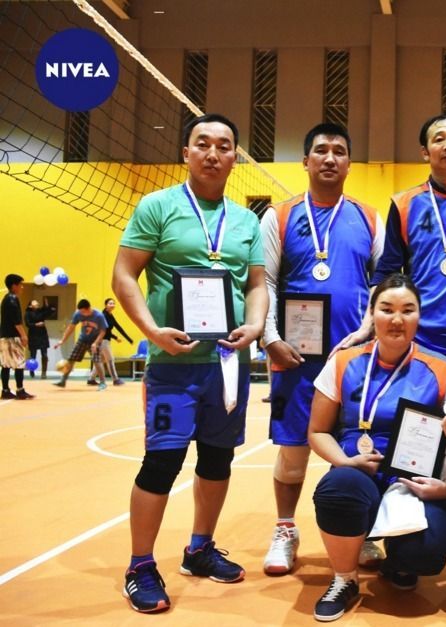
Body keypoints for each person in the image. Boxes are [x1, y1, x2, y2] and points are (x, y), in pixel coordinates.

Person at [111, 113, 268, 613]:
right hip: (173, 363)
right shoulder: (157, 206)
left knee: (218, 460)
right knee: (161, 463)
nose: (213, 153)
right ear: (186, 153)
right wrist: (150, 331)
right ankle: (139, 565)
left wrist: (256, 326)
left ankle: (199, 549)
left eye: (224, 145)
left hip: (226, 364)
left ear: (234, 157)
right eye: (203, 144)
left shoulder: (246, 221)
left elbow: (257, 285)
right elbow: (123, 274)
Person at [259, 122, 385, 577]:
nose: (330, 158)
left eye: (339, 151)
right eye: (321, 150)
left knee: (357, 448)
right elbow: (264, 281)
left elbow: (382, 282)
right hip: (295, 359)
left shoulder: (369, 217)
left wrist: (368, 330)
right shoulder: (278, 217)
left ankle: (362, 532)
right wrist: (270, 338)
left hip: (353, 363)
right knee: (294, 453)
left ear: (349, 163)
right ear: (305, 161)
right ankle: (285, 530)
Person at [308, 273, 446, 622]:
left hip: (412, 479)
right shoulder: (343, 361)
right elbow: (317, 431)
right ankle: (345, 578)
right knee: (337, 489)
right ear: (372, 313)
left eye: (408, 310)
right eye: (387, 309)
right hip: (358, 472)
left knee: (426, 555)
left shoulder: (442, 369)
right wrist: (345, 461)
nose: (396, 319)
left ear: (419, 315)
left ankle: (399, 559)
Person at [341, 114, 446, 383]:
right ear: (425, 152)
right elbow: (387, 272)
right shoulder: (404, 204)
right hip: (419, 342)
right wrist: (368, 325)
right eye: (439, 139)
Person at [52, 299, 108, 390]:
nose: (81, 313)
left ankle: (103, 383)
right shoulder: (78, 314)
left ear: (88, 308)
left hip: (95, 341)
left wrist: (95, 343)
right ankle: (63, 381)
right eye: (80, 311)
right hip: (82, 340)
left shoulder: (99, 316)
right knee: (71, 359)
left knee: (97, 360)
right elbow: (71, 327)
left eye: (83, 312)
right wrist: (62, 341)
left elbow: (103, 331)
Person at [1, 274, 34, 399]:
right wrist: (24, 335)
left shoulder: (6, 299)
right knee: (19, 363)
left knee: (6, 364)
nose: (22, 287)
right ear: (14, 286)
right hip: (13, 336)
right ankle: (20, 390)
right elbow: (16, 321)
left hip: (4, 335)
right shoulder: (13, 299)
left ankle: (5, 390)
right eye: (20, 285)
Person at [88, 297, 134, 386]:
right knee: (110, 359)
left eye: (113, 303)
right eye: (110, 303)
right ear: (106, 305)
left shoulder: (110, 316)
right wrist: (115, 337)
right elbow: (104, 331)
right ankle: (115, 379)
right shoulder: (103, 316)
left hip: (105, 340)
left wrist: (128, 338)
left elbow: (118, 327)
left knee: (101, 360)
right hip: (102, 340)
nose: (112, 305)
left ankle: (91, 379)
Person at [25, 298, 56, 379]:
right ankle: (31, 370)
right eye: (34, 302)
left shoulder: (41, 311)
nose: (37, 303)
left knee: (44, 354)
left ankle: (44, 372)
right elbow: (28, 324)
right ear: (30, 305)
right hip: (33, 335)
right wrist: (36, 325)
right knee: (33, 355)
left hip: (42, 335)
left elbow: (49, 313)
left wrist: (47, 305)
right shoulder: (27, 313)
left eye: (37, 302)